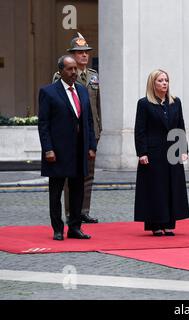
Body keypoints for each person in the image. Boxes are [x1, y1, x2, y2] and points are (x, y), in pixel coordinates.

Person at [38, 55, 97, 241]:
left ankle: (75, 227)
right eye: (70, 69)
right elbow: (44, 124)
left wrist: (91, 146)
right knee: (56, 192)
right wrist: (48, 148)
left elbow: (87, 120)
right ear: (60, 71)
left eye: (75, 69)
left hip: (79, 150)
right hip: (57, 151)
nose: (74, 73)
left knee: (78, 190)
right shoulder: (48, 92)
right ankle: (57, 228)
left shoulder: (82, 90)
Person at [53, 32, 102, 224]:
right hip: (70, 133)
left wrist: (100, 128)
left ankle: (83, 210)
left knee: (88, 174)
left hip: (91, 132)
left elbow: (98, 105)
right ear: (72, 55)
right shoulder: (60, 76)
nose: (84, 55)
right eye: (79, 52)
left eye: (86, 52)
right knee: (69, 174)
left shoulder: (93, 76)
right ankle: (69, 212)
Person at [134, 69, 189, 236]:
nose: (164, 83)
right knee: (155, 188)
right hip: (153, 152)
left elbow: (180, 126)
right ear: (153, 83)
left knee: (171, 187)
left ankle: (168, 223)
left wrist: (183, 149)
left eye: (166, 80)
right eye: (160, 80)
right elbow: (140, 130)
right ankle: (155, 224)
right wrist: (141, 152)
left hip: (172, 151)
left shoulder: (175, 102)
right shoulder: (144, 104)